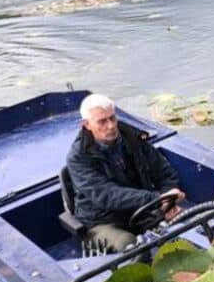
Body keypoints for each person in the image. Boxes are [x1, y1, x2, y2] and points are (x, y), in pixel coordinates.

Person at [66, 93, 185, 252]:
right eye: (102, 121)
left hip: (143, 209)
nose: (111, 126)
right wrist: (156, 199)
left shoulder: (134, 138)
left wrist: (168, 203)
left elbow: (165, 173)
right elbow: (107, 195)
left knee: (186, 225)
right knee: (129, 245)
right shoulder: (78, 157)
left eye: (112, 118)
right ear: (86, 125)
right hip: (103, 220)